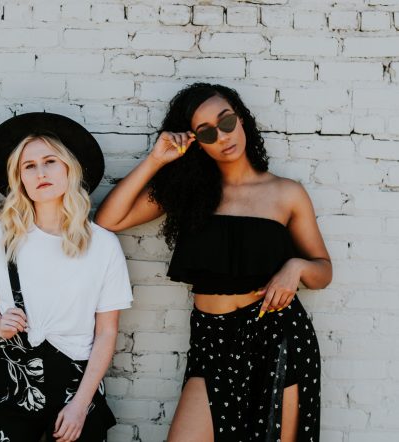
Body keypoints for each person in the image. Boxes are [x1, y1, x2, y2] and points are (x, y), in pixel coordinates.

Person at [95, 83, 332, 442]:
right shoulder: (190, 194)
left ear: (241, 119)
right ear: (196, 142)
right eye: (206, 132)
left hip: (277, 335)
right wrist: (157, 159)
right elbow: (107, 220)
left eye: (226, 121)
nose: (222, 136)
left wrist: (296, 266)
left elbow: (323, 271)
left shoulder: (287, 193)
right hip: (212, 339)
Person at [0, 113, 133, 442]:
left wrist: (80, 405)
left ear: (69, 168)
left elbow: (106, 332)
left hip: (78, 385)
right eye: (28, 166)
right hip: (15, 379)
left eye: (49, 161)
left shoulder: (102, 244)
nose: (40, 172)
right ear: (19, 177)